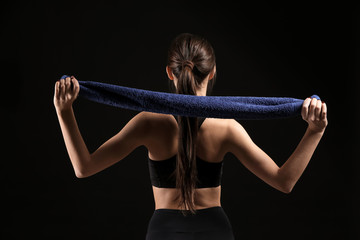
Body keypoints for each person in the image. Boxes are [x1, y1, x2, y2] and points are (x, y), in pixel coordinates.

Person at [53, 33, 328, 240]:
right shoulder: (226, 128)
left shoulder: (148, 123)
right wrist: (315, 131)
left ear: (170, 72)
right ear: (213, 72)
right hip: (215, 231)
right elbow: (284, 181)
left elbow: (83, 167)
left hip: (163, 232)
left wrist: (64, 111)